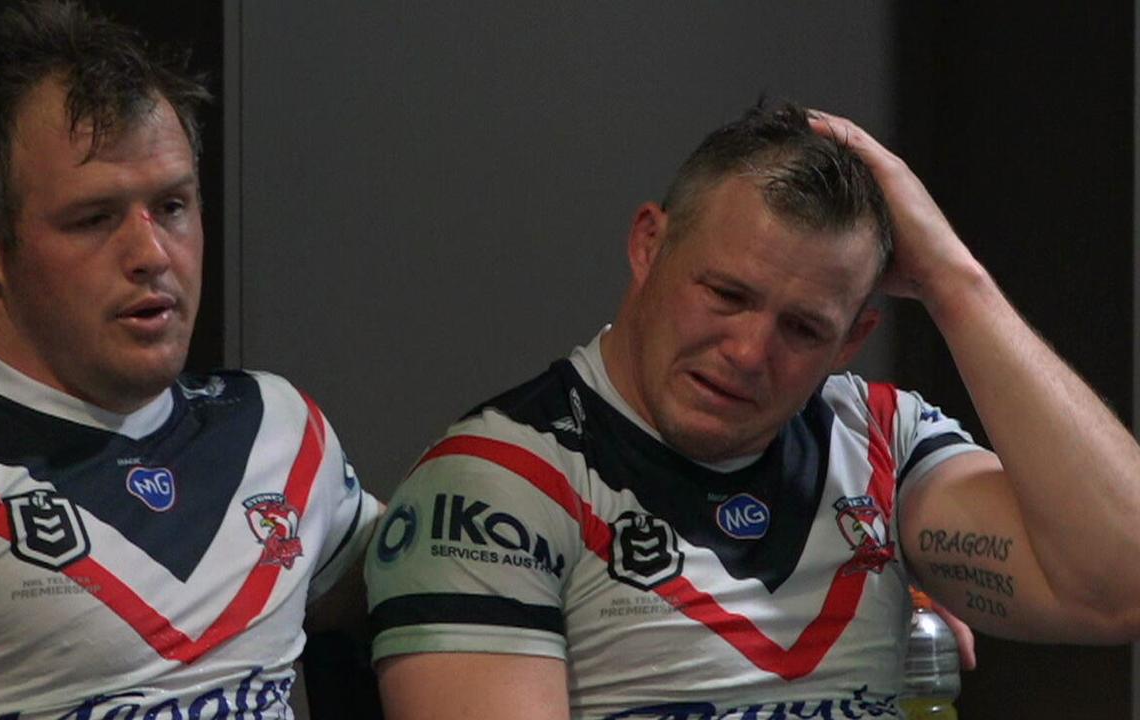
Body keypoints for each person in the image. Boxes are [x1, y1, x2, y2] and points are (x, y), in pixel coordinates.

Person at [364, 102, 1140, 719]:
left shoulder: (881, 442)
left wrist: (954, 282)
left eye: (803, 329)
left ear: (852, 340)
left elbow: (1120, 585)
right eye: (727, 295)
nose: (747, 352)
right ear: (648, 246)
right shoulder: (494, 487)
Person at [0, 2, 379, 718]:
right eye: (94, 218)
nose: (151, 255)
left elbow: (446, 591)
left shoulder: (281, 432)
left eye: (172, 207)